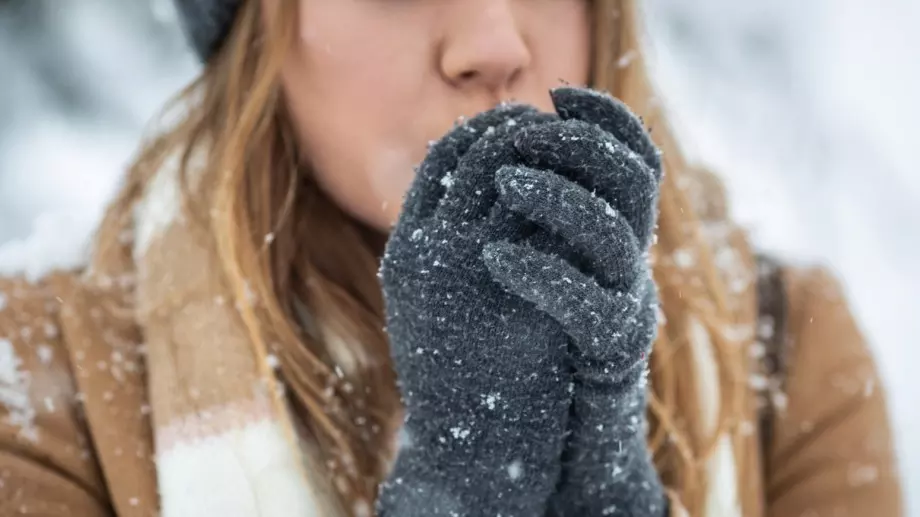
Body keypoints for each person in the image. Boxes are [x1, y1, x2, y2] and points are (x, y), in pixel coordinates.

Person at [0, 0, 903, 515]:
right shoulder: (43, 387)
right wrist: (465, 491)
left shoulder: (785, 356)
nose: (495, 45)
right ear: (255, 37)